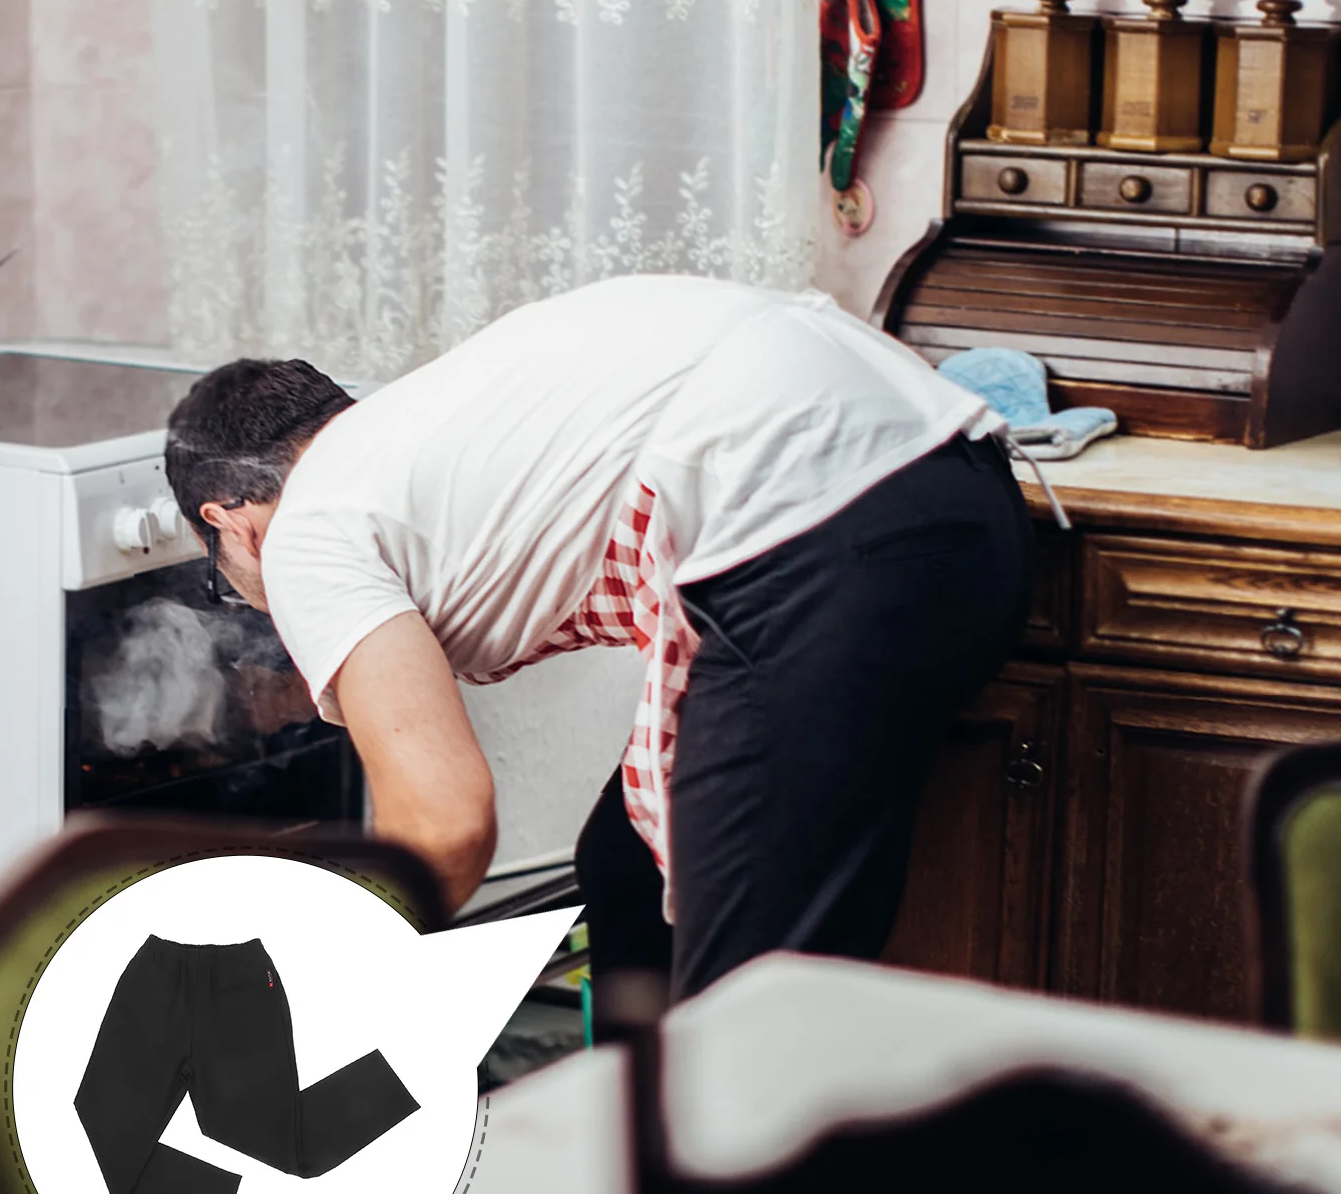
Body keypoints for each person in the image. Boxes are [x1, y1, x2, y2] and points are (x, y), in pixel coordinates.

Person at [163, 274, 1034, 1001]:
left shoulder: (306, 527)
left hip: (822, 535)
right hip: (968, 496)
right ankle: (634, 1136)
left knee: (746, 1010)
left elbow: (442, 824)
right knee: (625, 868)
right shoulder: (419, 431)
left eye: (229, 585)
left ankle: (701, 1154)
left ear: (230, 522)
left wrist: (303, 987)